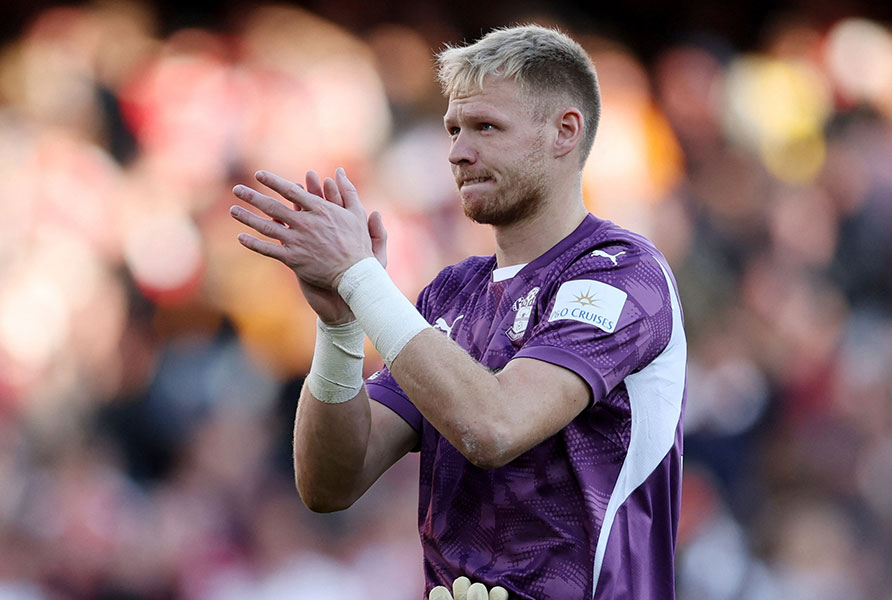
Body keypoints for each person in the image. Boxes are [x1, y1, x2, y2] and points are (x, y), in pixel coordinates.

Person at [229, 24, 687, 600]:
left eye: (485, 128)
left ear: (564, 132)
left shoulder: (620, 271)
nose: (457, 152)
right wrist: (340, 323)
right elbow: (329, 482)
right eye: (452, 129)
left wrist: (361, 277)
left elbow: (495, 426)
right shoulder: (453, 293)